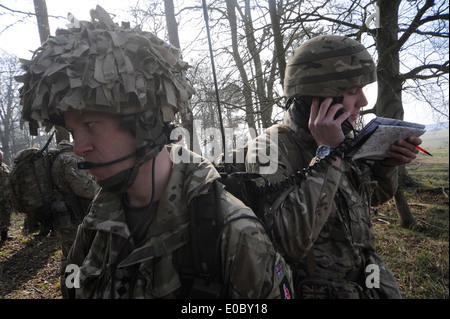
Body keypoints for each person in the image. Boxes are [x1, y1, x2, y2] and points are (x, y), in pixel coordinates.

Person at [16, 5, 293, 299]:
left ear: (145, 125)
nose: (78, 147)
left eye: (91, 124)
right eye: (73, 132)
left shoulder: (231, 233)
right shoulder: (96, 221)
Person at [245, 35, 422, 299]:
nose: (363, 101)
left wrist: (387, 166)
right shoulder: (269, 149)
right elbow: (287, 242)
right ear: (317, 99)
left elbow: (370, 198)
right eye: (352, 92)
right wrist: (328, 156)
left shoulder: (343, 138)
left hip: (371, 283)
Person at [0, 150, 13, 244]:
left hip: (6, 197)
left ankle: (4, 235)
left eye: (1, 157)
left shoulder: (5, 167)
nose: (0, 158)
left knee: (6, 216)